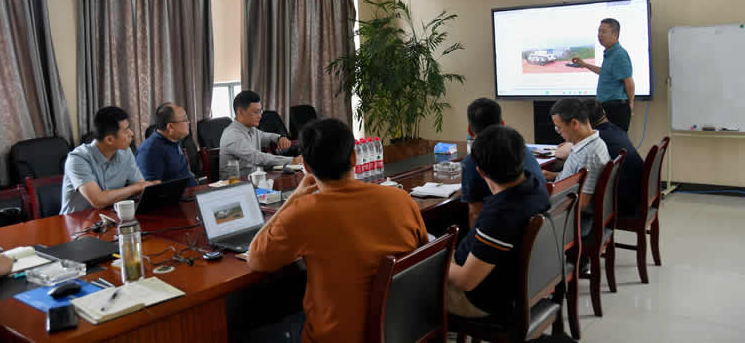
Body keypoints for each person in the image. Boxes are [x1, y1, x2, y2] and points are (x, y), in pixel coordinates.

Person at [248, 119, 428, 342]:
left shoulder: (303, 212)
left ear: (306, 167)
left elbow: (256, 259)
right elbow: (423, 253)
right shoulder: (401, 199)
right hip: (404, 329)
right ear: (354, 157)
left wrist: (293, 198)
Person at [447, 125, 549, 321]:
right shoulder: (536, 187)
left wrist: (436, 263)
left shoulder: (500, 216)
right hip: (515, 285)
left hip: (482, 300)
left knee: (407, 275)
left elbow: (465, 281)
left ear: (480, 172)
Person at [461, 98, 546, 227]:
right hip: (537, 227)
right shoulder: (520, 147)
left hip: (505, 230)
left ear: (470, 130)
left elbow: (475, 214)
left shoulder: (473, 160)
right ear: (502, 123)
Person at [61, 106, 159, 214]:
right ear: (109, 139)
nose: (131, 133)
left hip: (109, 217)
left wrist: (153, 188)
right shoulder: (77, 159)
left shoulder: (125, 152)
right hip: (75, 221)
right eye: (126, 130)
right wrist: (136, 188)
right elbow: (98, 200)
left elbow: (141, 187)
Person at [544, 98, 610, 211]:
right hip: (559, 193)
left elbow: (583, 202)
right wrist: (553, 175)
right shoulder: (594, 142)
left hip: (563, 213)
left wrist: (546, 205)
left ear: (574, 123)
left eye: (559, 128)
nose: (558, 132)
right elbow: (578, 177)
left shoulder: (589, 154)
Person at [219, 91, 301, 179]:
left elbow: (267, 136)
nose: (260, 116)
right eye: (256, 112)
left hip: (255, 180)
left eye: (260, 111)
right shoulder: (232, 134)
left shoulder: (252, 130)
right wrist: (292, 160)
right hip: (236, 185)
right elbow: (257, 157)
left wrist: (279, 138)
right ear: (240, 112)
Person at [571, 18, 635, 131]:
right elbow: (604, 72)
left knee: (613, 140)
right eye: (599, 31)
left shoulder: (619, 54)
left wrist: (630, 104)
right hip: (607, 107)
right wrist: (584, 64)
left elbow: (629, 82)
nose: (599, 35)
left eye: (603, 32)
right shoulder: (610, 53)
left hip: (616, 108)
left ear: (615, 34)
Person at [583, 99, 645, 216]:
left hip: (623, 203)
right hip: (636, 195)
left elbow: (562, 152)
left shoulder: (597, 136)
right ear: (604, 112)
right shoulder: (616, 130)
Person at [135, 102, 197, 187]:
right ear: (170, 127)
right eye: (185, 120)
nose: (188, 122)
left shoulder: (173, 140)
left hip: (193, 191)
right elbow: (152, 189)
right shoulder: (149, 150)